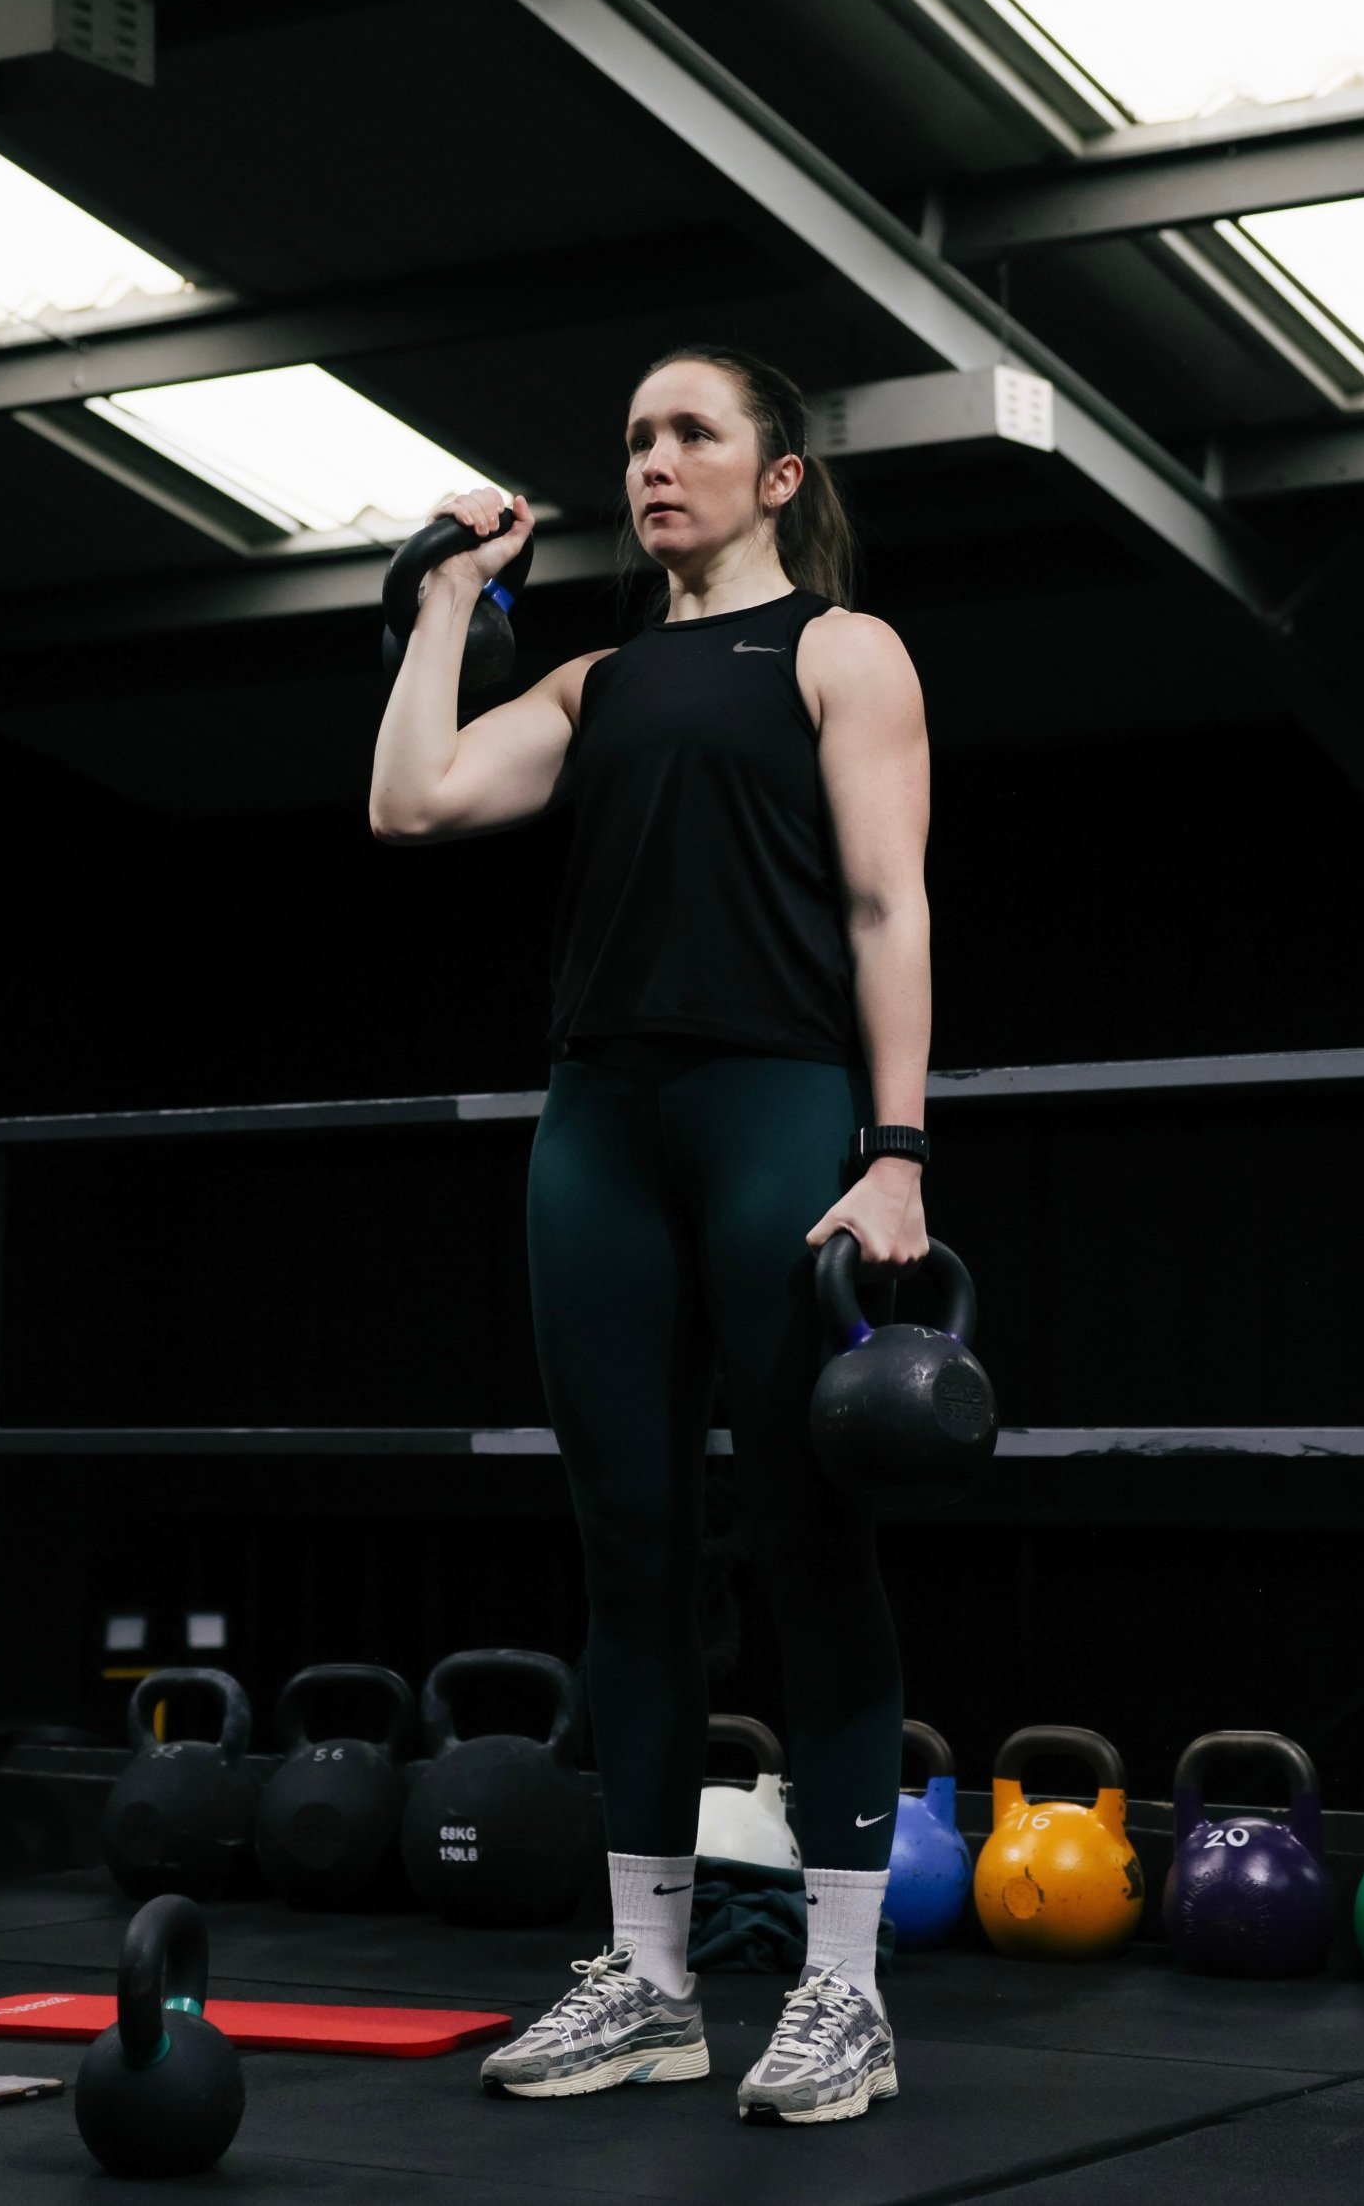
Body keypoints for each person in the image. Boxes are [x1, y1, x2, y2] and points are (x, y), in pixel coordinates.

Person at [369, 345, 932, 2125]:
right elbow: (412, 798)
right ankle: (648, 1980)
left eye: (693, 432)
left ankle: (842, 1987)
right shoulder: (598, 678)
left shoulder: (838, 649)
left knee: (805, 1535)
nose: (654, 461)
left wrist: (896, 1146)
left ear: (776, 474)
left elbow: (884, 897)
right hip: (597, 1126)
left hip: (774, 1113)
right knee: (626, 1548)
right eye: (632, 437)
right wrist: (446, 601)